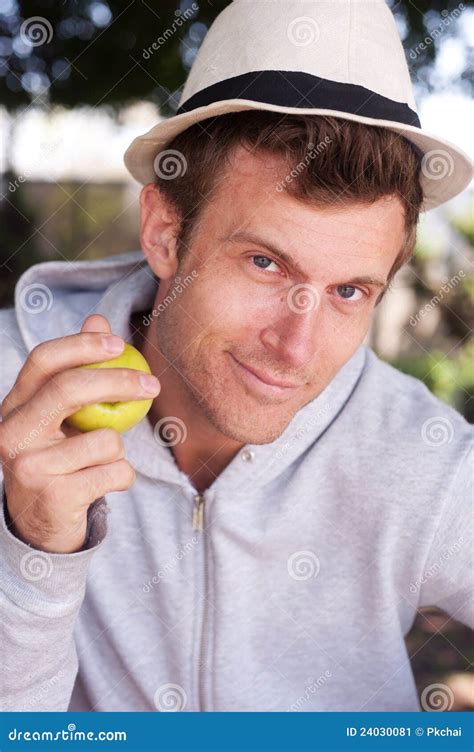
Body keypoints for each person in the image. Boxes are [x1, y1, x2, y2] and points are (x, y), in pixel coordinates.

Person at [0, 0, 472, 713]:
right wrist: (32, 557)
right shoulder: (15, 391)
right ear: (163, 231)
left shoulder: (420, 453)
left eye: (348, 290)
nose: (296, 348)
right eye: (264, 263)